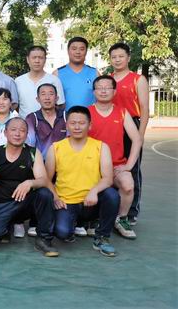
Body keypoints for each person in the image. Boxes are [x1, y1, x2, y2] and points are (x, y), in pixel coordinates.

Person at [45, 106, 120, 257]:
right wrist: (55, 197)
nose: (77, 127)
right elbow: (46, 179)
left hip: (91, 201)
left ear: (90, 125)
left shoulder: (101, 147)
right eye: (73, 123)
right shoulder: (56, 148)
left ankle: (102, 237)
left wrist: (94, 191)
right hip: (66, 201)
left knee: (112, 195)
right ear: (67, 125)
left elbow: (108, 178)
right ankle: (76, 224)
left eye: (82, 123)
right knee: (62, 233)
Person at [0, 118, 58, 257]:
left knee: (44, 194)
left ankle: (44, 239)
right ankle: (7, 227)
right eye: (13, 130)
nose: (17, 134)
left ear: (27, 134)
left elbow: (43, 179)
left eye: (22, 130)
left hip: (25, 203)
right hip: (2, 204)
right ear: (5, 133)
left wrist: (29, 183)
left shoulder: (33, 153)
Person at [88, 75, 142, 239]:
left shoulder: (122, 112)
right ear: (94, 92)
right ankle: (92, 219)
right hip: (92, 165)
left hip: (116, 165)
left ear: (114, 91)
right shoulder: (87, 112)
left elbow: (137, 139)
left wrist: (129, 165)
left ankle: (121, 218)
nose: (103, 91)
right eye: (99, 88)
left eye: (107, 88)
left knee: (128, 185)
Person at [109, 42, 149, 224]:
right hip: (112, 125)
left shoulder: (138, 79)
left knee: (131, 169)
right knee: (110, 167)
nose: (117, 60)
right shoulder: (107, 80)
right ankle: (111, 209)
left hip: (131, 125)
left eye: (121, 56)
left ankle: (131, 212)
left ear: (128, 58)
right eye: (114, 57)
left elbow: (144, 109)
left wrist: (140, 135)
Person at [15, 46, 66, 117]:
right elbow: (16, 105)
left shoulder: (54, 80)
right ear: (27, 60)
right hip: (25, 122)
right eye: (34, 57)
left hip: (48, 123)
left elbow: (60, 105)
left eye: (40, 58)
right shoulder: (18, 81)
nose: (37, 61)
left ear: (45, 60)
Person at [54, 36, 98, 108]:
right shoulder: (57, 73)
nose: (78, 52)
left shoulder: (95, 73)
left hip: (89, 114)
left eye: (82, 49)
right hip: (66, 115)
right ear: (68, 51)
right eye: (74, 49)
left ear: (86, 51)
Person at [25, 83, 67, 158]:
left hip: (64, 161)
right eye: (43, 94)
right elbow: (30, 143)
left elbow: (72, 141)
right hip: (41, 162)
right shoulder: (32, 118)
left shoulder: (66, 116)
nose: (47, 98)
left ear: (57, 98)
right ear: (37, 99)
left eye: (51, 94)